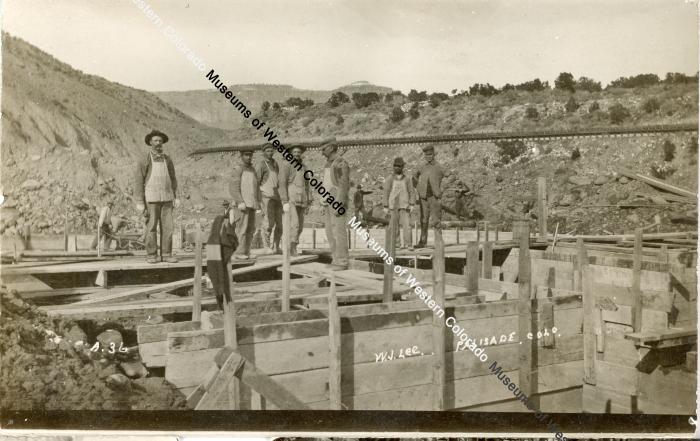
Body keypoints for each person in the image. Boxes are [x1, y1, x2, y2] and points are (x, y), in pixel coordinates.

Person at [134, 129, 180, 263]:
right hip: (151, 199)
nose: (158, 143)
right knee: (152, 227)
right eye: (155, 140)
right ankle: (152, 255)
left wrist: (176, 197)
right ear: (150, 142)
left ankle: (166, 254)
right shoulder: (145, 159)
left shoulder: (168, 159)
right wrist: (140, 201)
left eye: (160, 141)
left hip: (167, 198)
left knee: (168, 227)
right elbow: (138, 180)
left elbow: (173, 178)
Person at [321, 138, 350, 271]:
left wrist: (339, 202)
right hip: (327, 199)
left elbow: (344, 185)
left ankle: (342, 261)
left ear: (331, 148)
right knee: (329, 232)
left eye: (324, 148)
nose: (322, 152)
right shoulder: (328, 164)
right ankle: (335, 259)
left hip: (337, 199)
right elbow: (327, 182)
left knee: (338, 231)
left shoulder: (341, 163)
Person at [229, 150, 261, 260]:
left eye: (250, 155)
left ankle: (246, 251)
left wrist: (258, 202)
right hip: (242, 204)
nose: (248, 157)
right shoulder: (238, 169)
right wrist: (239, 201)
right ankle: (237, 252)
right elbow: (233, 187)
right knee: (241, 229)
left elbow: (256, 187)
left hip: (252, 204)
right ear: (241, 156)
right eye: (246, 155)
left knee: (250, 229)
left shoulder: (252, 170)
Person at [279, 145, 310, 256]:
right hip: (291, 198)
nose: (297, 154)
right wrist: (284, 200)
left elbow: (307, 185)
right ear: (291, 153)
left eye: (299, 152)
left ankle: (294, 246)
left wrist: (308, 201)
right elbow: (282, 183)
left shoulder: (304, 167)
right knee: (294, 224)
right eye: (295, 152)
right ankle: (290, 249)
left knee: (300, 226)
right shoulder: (287, 165)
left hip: (302, 198)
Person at [413, 145, 443, 248]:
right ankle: (422, 242)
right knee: (423, 220)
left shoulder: (439, 166)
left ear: (434, 154)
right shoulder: (422, 166)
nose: (428, 157)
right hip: (423, 198)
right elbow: (414, 176)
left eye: (430, 154)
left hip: (434, 198)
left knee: (436, 220)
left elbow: (451, 176)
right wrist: (418, 187)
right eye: (426, 155)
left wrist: (442, 188)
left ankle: (438, 242)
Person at [383, 157, 415, 250]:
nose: (396, 168)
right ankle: (396, 244)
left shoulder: (407, 179)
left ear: (402, 167)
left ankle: (408, 244)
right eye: (395, 166)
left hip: (405, 206)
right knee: (394, 226)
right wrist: (385, 205)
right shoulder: (390, 179)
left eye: (399, 166)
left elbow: (411, 191)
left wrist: (412, 204)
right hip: (393, 206)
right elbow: (386, 192)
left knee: (407, 226)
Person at [256, 143, 282, 254]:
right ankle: (266, 247)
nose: (270, 153)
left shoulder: (275, 164)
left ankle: (276, 246)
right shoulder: (261, 165)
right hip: (266, 197)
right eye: (267, 151)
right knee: (268, 224)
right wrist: (258, 199)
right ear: (263, 152)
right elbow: (256, 182)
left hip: (277, 197)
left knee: (280, 224)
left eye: (271, 151)